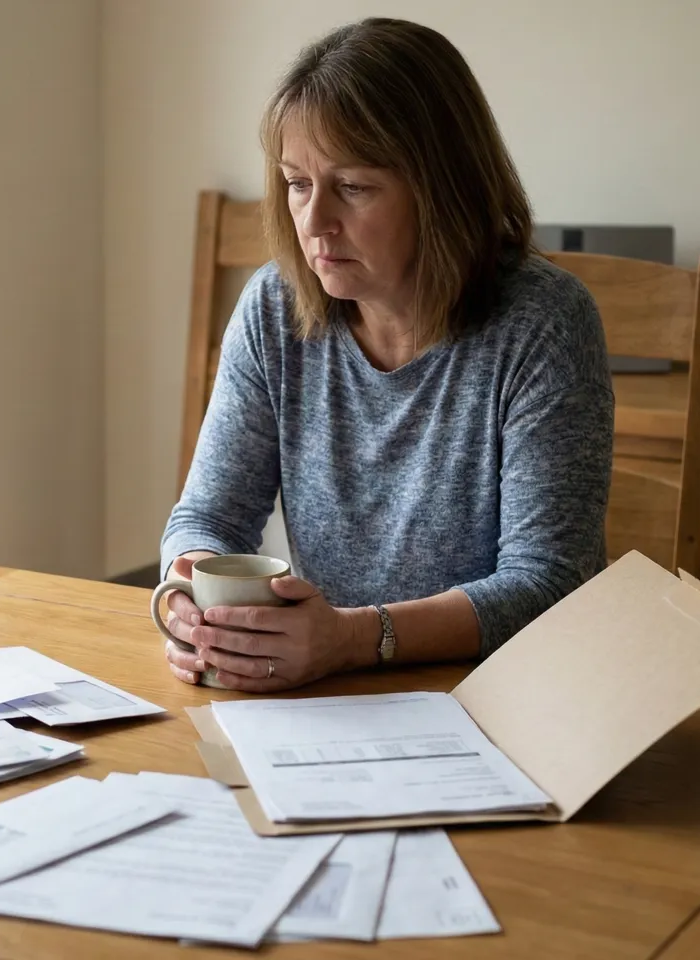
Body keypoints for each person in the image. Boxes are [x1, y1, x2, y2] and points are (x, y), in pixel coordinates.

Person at [159, 17, 614, 692]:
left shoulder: (544, 323)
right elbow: (209, 519)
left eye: (353, 186)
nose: (312, 223)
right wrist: (188, 606)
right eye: (296, 183)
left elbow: (548, 582)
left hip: (506, 701)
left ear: (442, 187)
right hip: (331, 697)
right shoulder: (273, 310)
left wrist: (351, 638)